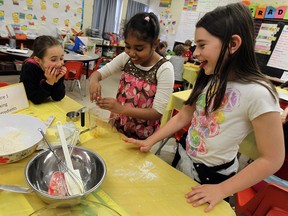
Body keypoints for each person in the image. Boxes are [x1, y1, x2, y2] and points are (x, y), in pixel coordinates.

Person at [123, 3, 285, 212]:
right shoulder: (210, 75)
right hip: (183, 161)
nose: (195, 52)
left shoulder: (259, 93)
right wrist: (149, 141)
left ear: (232, 44)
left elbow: (272, 159)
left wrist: (222, 190)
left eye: (201, 45)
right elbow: (184, 115)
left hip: (215, 180)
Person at [89, 12, 174, 140]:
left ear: (155, 44)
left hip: (142, 135)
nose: (132, 53)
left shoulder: (164, 69)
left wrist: (121, 109)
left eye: (139, 48)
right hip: (118, 124)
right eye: (127, 46)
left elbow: (157, 113)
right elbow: (98, 74)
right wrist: (94, 81)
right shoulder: (126, 58)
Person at [20, 35, 66, 104]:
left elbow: (58, 97)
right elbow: (35, 99)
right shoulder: (29, 67)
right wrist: (49, 82)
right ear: (38, 60)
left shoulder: (58, 67)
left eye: (61, 58)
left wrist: (57, 81)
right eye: (53, 60)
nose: (60, 64)